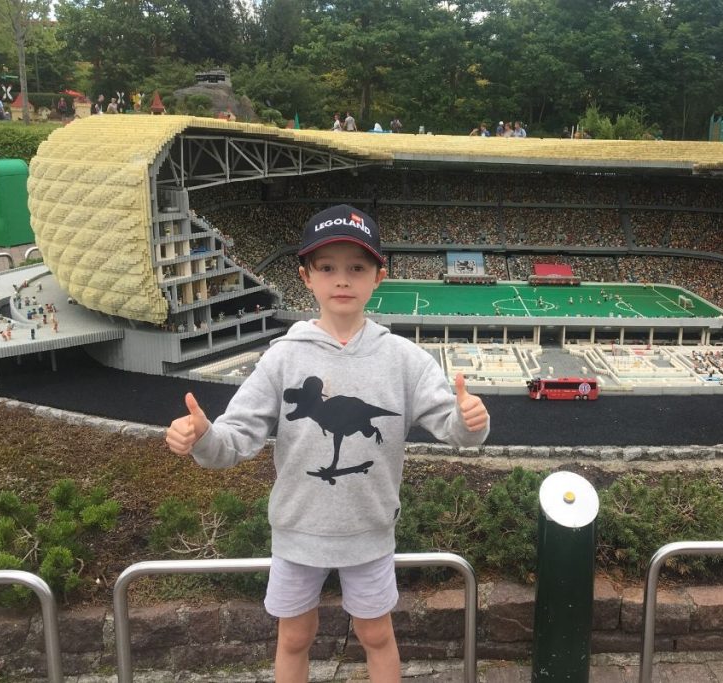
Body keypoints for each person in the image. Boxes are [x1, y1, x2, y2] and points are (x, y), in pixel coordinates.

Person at [165, 204, 490, 683]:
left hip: (370, 531)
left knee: (377, 636)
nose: (343, 279)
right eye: (328, 267)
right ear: (307, 276)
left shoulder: (404, 359)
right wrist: (201, 435)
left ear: (379, 276)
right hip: (298, 533)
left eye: (357, 267)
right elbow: (232, 443)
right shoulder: (282, 359)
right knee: (294, 637)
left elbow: (454, 428)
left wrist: (471, 421)